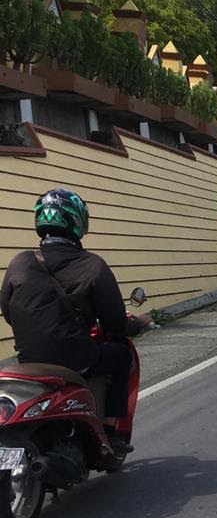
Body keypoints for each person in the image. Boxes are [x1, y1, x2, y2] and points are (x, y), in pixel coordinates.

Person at [0, 189, 151, 450]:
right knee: (120, 356)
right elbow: (116, 324)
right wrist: (139, 323)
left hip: (29, 361)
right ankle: (110, 431)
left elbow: (8, 310)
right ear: (77, 221)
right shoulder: (93, 265)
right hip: (77, 359)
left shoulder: (20, 262)